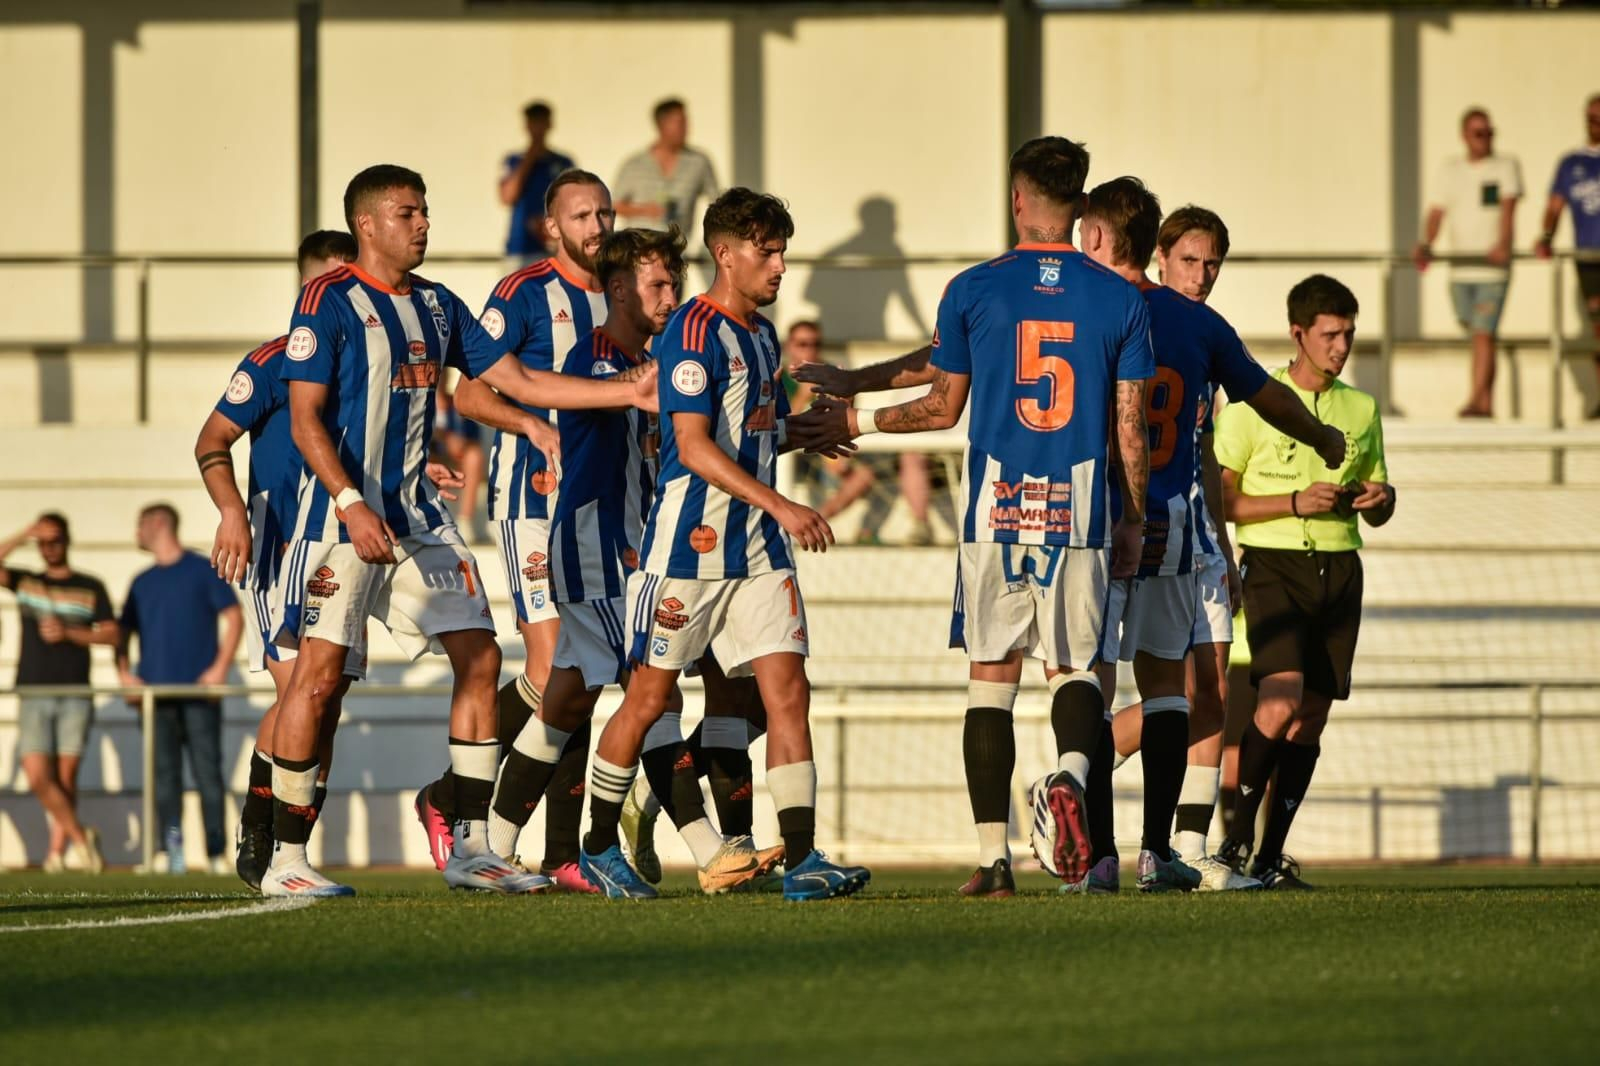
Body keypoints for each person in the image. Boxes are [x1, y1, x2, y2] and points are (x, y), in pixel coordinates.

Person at [262, 163, 652, 898]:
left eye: (426, 211)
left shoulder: (440, 306)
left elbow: (521, 381)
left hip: (418, 517)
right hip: (339, 520)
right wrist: (348, 499)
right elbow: (306, 418)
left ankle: (472, 845)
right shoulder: (329, 299)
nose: (423, 224)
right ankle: (286, 857)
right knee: (315, 684)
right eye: (408, 213)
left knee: (479, 658)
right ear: (368, 224)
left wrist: (625, 390)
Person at [805, 137, 1155, 898]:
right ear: (1079, 205)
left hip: (997, 506)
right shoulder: (1121, 299)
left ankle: (994, 862)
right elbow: (1131, 425)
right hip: (1081, 508)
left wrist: (853, 418)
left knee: (991, 681)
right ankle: (1065, 776)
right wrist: (1132, 518)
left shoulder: (974, 288)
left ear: (1017, 197)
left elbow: (941, 401)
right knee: (1075, 670)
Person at [576, 187, 871, 901]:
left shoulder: (762, 336)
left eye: (782, 252)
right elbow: (692, 444)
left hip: (759, 552)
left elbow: (752, 432)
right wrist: (783, 501)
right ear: (725, 253)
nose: (778, 266)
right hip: (687, 549)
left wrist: (807, 433)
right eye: (765, 252)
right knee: (648, 700)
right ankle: (595, 846)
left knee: (787, 691)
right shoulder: (691, 333)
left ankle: (802, 862)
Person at [1082, 187, 1345, 894]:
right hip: (1127, 520)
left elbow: (1202, 440)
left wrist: (1222, 546)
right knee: (1135, 683)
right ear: (1160, 258)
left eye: (1213, 263)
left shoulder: (1188, 326)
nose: (1201, 274)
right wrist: (1319, 434)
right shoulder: (1151, 319)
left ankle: (1185, 845)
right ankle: (1083, 798)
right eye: (1189, 259)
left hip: (1182, 526)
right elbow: (1263, 398)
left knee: (1204, 687)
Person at [196, 230, 463, 891]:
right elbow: (212, 442)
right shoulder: (273, 362)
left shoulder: (366, 365)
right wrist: (232, 512)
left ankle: (283, 834)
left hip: (349, 543)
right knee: (301, 692)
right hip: (285, 543)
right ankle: (267, 833)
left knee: (329, 699)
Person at [411, 169, 614, 893]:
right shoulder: (522, 295)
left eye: (604, 212)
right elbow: (469, 390)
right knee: (557, 659)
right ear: (551, 228)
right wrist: (530, 422)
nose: (597, 226)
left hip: (607, 504)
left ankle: (561, 852)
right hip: (532, 498)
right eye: (581, 216)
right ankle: (473, 817)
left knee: (581, 671)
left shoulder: (624, 290)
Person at [1212, 274, 1397, 889]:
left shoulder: (1362, 409)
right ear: (1299, 334)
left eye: (1348, 334)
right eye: (1330, 334)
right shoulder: (1250, 405)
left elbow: (1381, 500)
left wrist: (1379, 496)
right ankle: (1233, 841)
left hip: (1341, 569)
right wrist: (1295, 502)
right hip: (1272, 565)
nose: (1341, 346)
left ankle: (1270, 858)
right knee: (1279, 699)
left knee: (1311, 717)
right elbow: (1226, 501)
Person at [116, 503, 243, 875]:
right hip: (156, 698)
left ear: (158, 524)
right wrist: (125, 674)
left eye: (140, 524)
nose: (137, 532)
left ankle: (216, 853)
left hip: (199, 695)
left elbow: (233, 617)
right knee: (164, 778)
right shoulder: (142, 582)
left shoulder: (202, 570)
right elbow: (120, 633)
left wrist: (219, 668)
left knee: (208, 773)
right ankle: (171, 854)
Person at [0, 514, 115, 873]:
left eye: (55, 541)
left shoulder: (90, 585)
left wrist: (70, 633)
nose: (49, 549)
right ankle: (81, 839)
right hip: (34, 689)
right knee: (37, 774)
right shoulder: (27, 582)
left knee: (66, 778)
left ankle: (56, 854)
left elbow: (112, 634)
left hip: (75, 690)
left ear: (68, 540)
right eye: (43, 543)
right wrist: (23, 533)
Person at [1415, 108, 1523, 418]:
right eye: (1479, 133)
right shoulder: (1450, 170)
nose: (1485, 138)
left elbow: (1508, 210)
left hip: (1492, 270)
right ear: (1464, 136)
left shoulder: (1505, 166)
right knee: (1475, 332)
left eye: (1490, 132)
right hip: (1460, 270)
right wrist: (1426, 244)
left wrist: (1503, 245)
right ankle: (1485, 400)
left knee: (1482, 334)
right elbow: (1437, 213)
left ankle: (1478, 402)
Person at [1535, 93, 1600, 419]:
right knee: (1597, 326)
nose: (1596, 125)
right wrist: (1546, 236)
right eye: (1592, 118)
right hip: (1588, 258)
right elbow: (1555, 207)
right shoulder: (1571, 163)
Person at [613, 98, 720, 234]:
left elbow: (716, 199)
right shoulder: (634, 164)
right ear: (662, 125)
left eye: (686, 123)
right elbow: (615, 205)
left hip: (679, 247)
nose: (686, 129)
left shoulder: (699, 162)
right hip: (639, 247)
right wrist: (644, 210)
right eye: (680, 123)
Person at [500, 101, 575, 267]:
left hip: (555, 249)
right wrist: (532, 155)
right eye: (534, 122)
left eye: (542, 122)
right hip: (520, 249)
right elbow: (507, 196)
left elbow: (573, 203)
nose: (538, 128)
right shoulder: (513, 161)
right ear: (526, 126)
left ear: (549, 124)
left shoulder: (563, 162)